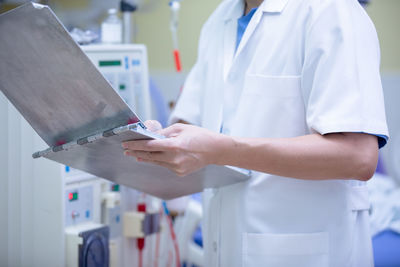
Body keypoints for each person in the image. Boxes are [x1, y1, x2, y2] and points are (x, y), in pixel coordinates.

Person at [122, 0, 389, 266]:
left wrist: (222, 150)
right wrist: (159, 138)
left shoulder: (331, 10)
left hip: (306, 252)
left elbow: (357, 157)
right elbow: (193, 120)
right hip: (225, 248)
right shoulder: (220, 19)